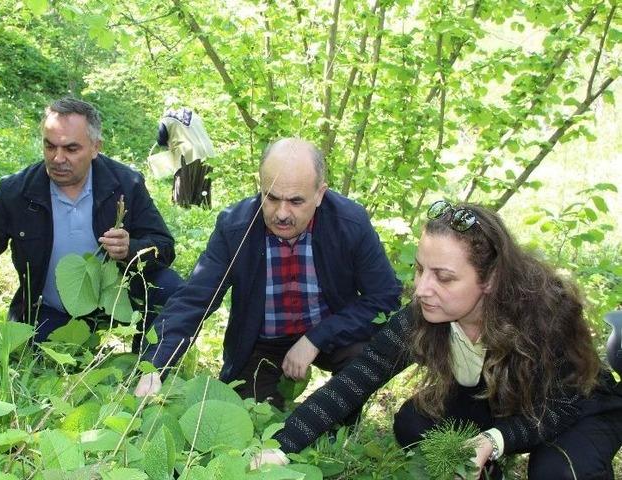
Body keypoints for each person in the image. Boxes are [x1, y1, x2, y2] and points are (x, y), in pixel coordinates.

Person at [259, 201, 622, 479]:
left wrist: (495, 440)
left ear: (490, 280)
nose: (421, 290)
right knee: (414, 425)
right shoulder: (424, 318)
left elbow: (559, 407)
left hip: (575, 404)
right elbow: (352, 384)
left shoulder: (544, 314)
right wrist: (281, 447)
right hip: (496, 398)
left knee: (557, 470)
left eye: (443, 277)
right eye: (420, 269)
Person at [134, 138, 402, 408]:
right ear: (260, 186)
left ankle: (335, 418)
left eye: (296, 201)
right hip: (262, 342)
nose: (282, 214)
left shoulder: (349, 223)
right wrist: (155, 364)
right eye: (271, 197)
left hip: (331, 332)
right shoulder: (236, 228)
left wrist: (317, 338)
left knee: (366, 358)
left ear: (320, 194)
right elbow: (195, 299)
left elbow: (385, 297)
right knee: (247, 415)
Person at [0, 98, 183, 343]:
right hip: (48, 311)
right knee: (50, 366)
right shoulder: (19, 190)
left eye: (71, 149)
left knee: (172, 290)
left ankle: (148, 370)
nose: (57, 158)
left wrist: (131, 249)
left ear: (96, 147)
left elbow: (163, 246)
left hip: (117, 304)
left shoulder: (126, 184)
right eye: (50, 146)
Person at [152, 107, 216, 208]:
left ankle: (183, 210)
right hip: (209, 152)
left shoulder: (166, 119)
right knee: (203, 188)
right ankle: (204, 210)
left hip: (188, 153)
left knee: (183, 187)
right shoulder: (194, 116)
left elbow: (161, 140)